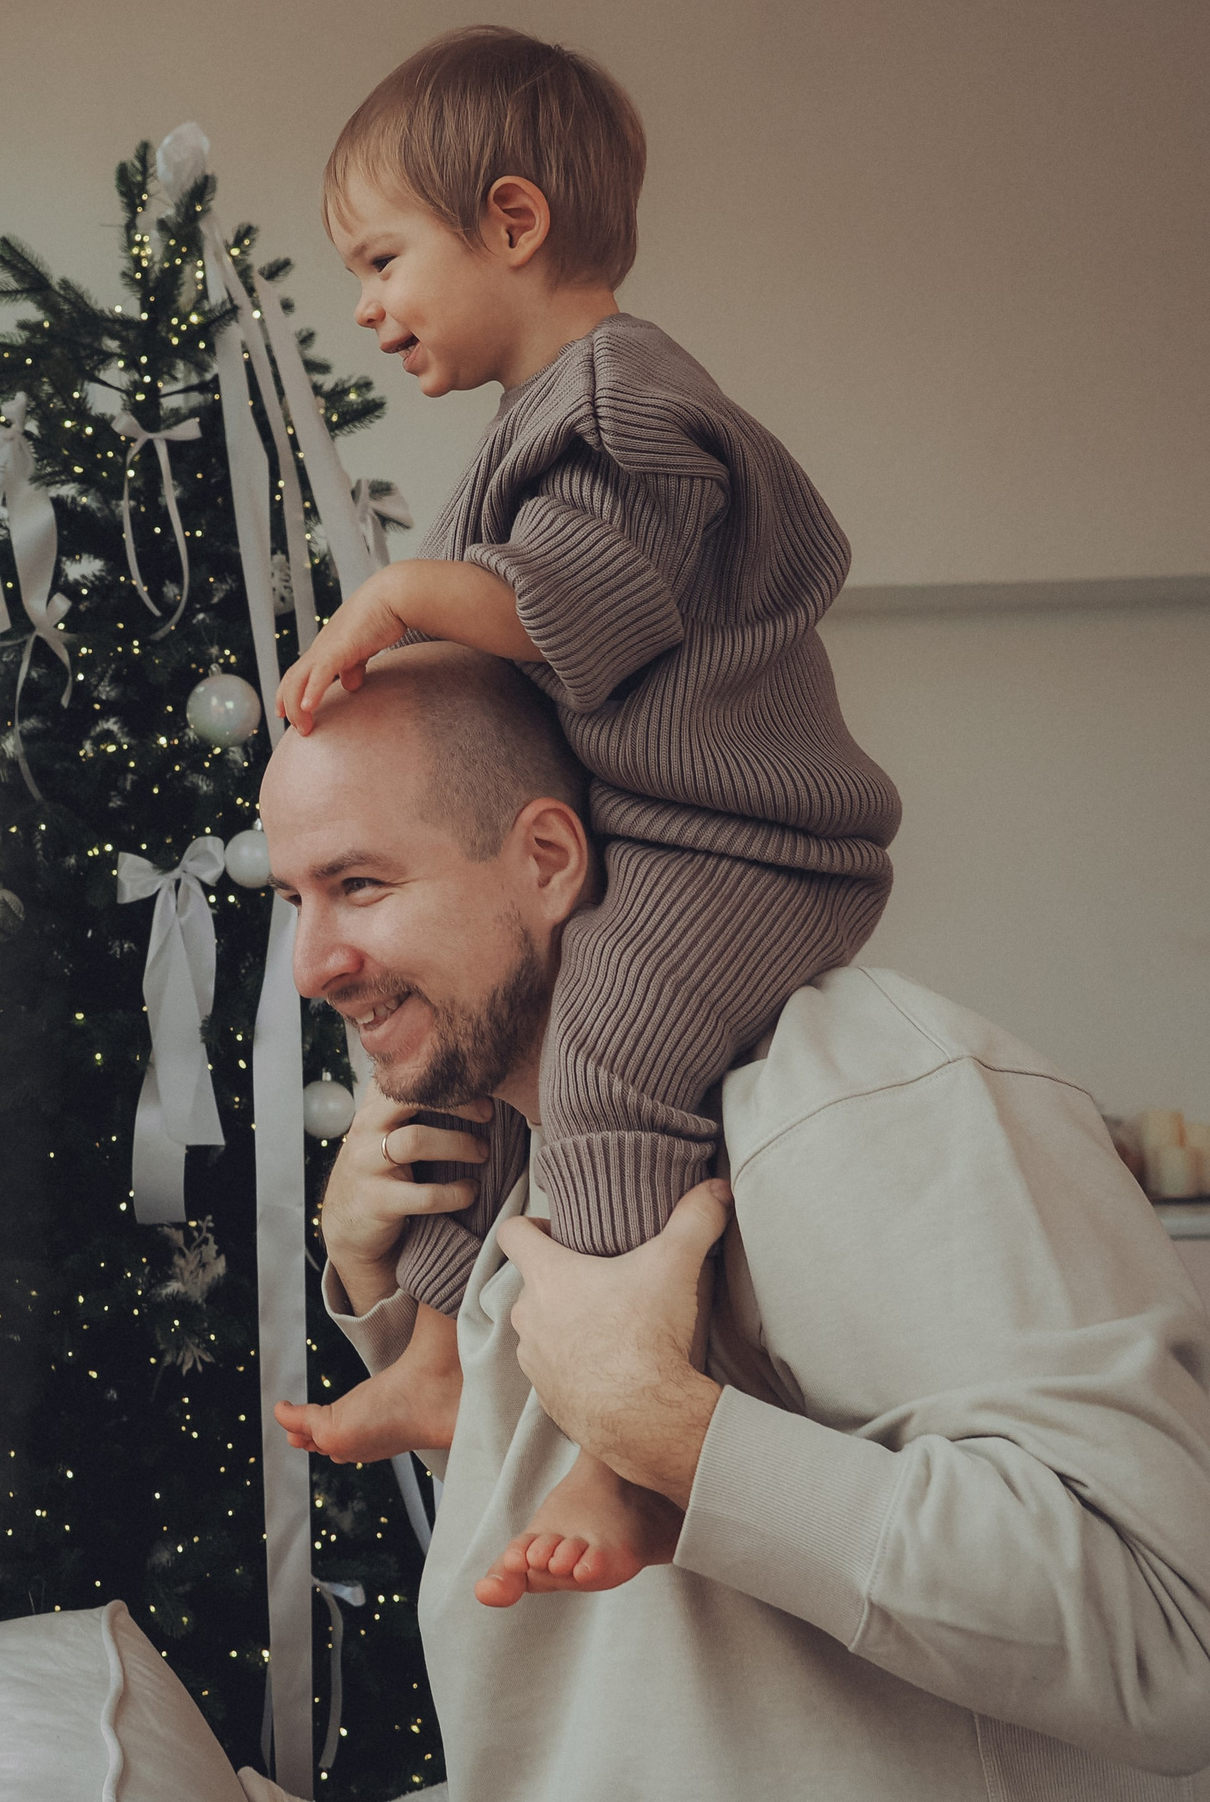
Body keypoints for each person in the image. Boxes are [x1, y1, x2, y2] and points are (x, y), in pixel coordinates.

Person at [262, 644, 1210, 1798]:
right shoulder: (539, 1150)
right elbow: (649, 1611)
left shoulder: (852, 1094)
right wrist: (387, 1300)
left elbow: (1173, 1643)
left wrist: (670, 1427)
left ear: (548, 859)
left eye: (360, 885)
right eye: (293, 899)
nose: (312, 965)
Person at [270, 26, 901, 1594]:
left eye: (382, 257)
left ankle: (636, 1456)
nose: (364, 305)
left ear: (513, 219)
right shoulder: (536, 422)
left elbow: (581, 613)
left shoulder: (627, 403)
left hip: (744, 845)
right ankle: (432, 1352)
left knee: (603, 1063)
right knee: (473, 1067)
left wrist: (403, 597)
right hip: (650, 830)